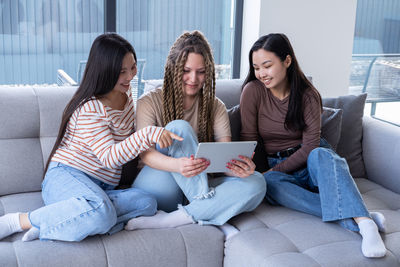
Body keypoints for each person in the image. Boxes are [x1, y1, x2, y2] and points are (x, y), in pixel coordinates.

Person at [0, 33, 181, 242]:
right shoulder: (90, 108)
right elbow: (109, 157)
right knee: (101, 212)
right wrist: (148, 134)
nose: (131, 76)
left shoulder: (126, 94)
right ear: (105, 71)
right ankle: (19, 221)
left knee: (147, 202)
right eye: (122, 71)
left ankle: (57, 224)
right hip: (66, 177)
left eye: (133, 67)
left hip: (101, 188)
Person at [240, 33, 387, 258]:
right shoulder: (252, 92)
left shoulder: (308, 95)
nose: (261, 74)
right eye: (256, 67)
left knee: (322, 155)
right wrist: (255, 170)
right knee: (267, 182)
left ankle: (365, 224)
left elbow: (309, 147)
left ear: (287, 61)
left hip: (310, 161)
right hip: (277, 166)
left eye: (267, 66)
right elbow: (249, 138)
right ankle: (360, 218)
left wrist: (273, 170)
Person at [125, 31, 266, 238]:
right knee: (178, 128)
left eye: (201, 72)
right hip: (159, 184)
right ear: (173, 69)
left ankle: (182, 217)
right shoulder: (149, 102)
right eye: (186, 70)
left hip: (199, 187)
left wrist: (238, 169)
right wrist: (178, 165)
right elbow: (146, 155)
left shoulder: (216, 107)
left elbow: (224, 160)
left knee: (257, 182)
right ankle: (212, 213)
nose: (193, 79)